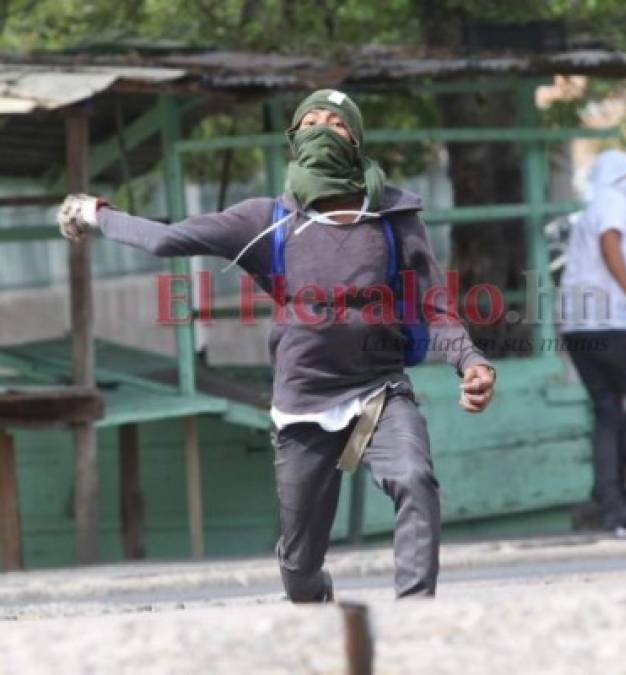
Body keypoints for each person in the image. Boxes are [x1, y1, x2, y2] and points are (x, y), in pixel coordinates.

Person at [57, 89, 496, 599]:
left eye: (336, 123)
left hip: (379, 391)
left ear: (356, 139)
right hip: (304, 403)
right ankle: (314, 598)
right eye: (310, 122)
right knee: (300, 563)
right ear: (294, 141)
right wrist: (95, 213)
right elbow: (166, 240)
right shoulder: (267, 220)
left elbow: (434, 305)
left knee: (414, 479)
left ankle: (417, 618)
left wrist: (471, 360)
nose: (322, 130)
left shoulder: (395, 216)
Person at [560, 150, 626, 532]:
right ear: (615, 177)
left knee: (608, 408)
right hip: (605, 320)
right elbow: (610, 246)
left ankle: (609, 500)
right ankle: (611, 493)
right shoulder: (613, 199)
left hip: (576, 325)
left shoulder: (598, 204)